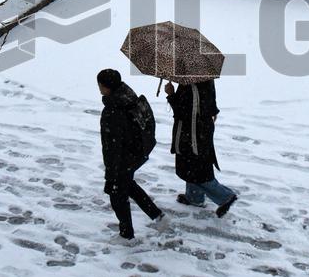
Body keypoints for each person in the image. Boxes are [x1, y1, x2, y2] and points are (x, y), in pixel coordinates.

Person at [97, 68, 164, 240]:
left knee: (117, 196)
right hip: (137, 154)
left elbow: (112, 146)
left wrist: (111, 172)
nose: (99, 88)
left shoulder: (113, 110)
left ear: (106, 87)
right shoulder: (128, 96)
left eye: (100, 85)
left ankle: (127, 236)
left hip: (124, 158)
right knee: (128, 186)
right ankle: (158, 216)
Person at [165, 78, 237, 217]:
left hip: (193, 134)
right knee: (192, 165)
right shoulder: (205, 78)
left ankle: (225, 197)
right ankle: (194, 198)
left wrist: (171, 94)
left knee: (197, 169)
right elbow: (209, 101)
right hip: (201, 130)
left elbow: (183, 112)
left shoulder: (190, 85)